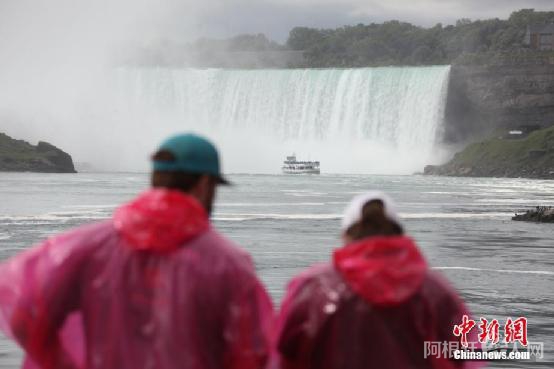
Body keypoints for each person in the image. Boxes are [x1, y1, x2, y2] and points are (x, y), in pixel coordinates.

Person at [0, 133, 273, 369]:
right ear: (204, 185)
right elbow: (252, 355)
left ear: (155, 178)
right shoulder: (228, 264)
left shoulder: (88, 248)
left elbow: (25, 315)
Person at [275, 192, 484, 369]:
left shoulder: (313, 288)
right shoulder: (435, 290)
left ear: (346, 234)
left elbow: (279, 354)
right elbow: (467, 355)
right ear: (399, 234)